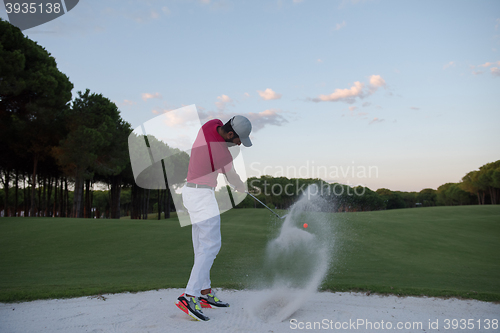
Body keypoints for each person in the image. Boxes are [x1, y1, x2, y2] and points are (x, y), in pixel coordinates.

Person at [175, 115, 252, 321]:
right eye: (238, 140)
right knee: (211, 246)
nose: (238, 144)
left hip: (190, 192)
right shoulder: (223, 154)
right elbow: (232, 177)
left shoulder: (209, 125)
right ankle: (189, 295)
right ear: (230, 134)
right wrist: (241, 186)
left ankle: (204, 292)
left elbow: (218, 128)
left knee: (202, 246)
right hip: (201, 196)